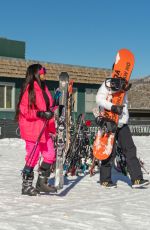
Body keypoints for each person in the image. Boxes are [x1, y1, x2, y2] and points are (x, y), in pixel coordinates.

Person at [95, 71, 149, 189]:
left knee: (130, 150)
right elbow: (98, 99)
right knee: (109, 151)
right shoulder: (108, 84)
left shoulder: (124, 85)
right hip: (109, 122)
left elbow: (124, 103)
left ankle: (137, 179)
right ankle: (105, 180)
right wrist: (112, 107)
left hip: (122, 124)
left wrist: (125, 117)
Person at [16, 64, 57, 196]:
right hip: (32, 128)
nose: (45, 73)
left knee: (50, 155)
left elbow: (48, 107)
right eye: (42, 71)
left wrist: (55, 109)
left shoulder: (44, 88)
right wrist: (40, 114)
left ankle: (41, 183)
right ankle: (26, 186)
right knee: (32, 156)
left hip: (44, 127)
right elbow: (25, 110)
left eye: (45, 70)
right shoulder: (30, 89)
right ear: (35, 73)